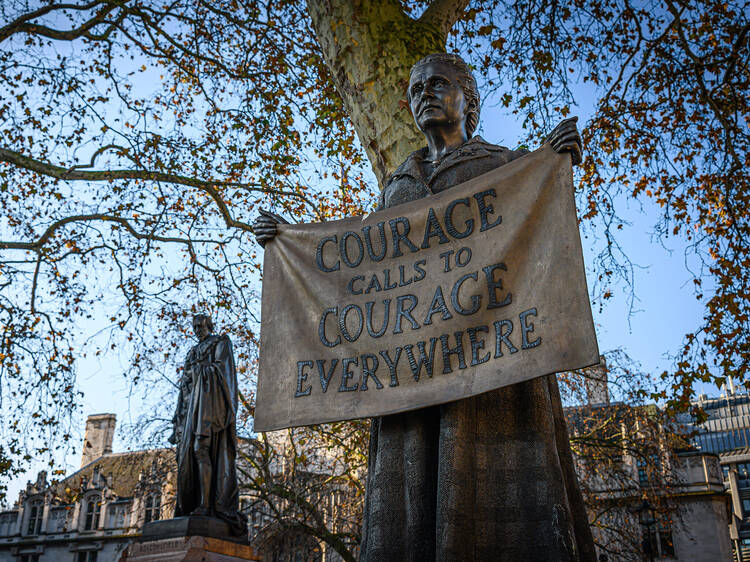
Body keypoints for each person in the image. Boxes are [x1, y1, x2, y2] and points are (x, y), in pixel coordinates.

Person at [254, 53, 594, 561]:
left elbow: (541, 250)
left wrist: (553, 160)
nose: (424, 95)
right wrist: (286, 243)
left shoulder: (503, 166)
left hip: (493, 374)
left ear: (468, 99)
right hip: (410, 385)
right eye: (415, 90)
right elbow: (359, 276)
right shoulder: (398, 186)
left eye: (438, 84)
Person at [169, 313, 245, 535]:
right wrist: (178, 418)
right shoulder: (192, 351)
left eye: (200, 325)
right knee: (187, 458)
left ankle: (207, 504)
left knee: (200, 449)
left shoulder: (220, 343)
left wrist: (199, 372)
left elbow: (223, 373)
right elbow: (184, 387)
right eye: (193, 326)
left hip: (209, 407)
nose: (196, 330)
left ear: (209, 325)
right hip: (191, 409)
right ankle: (191, 504)